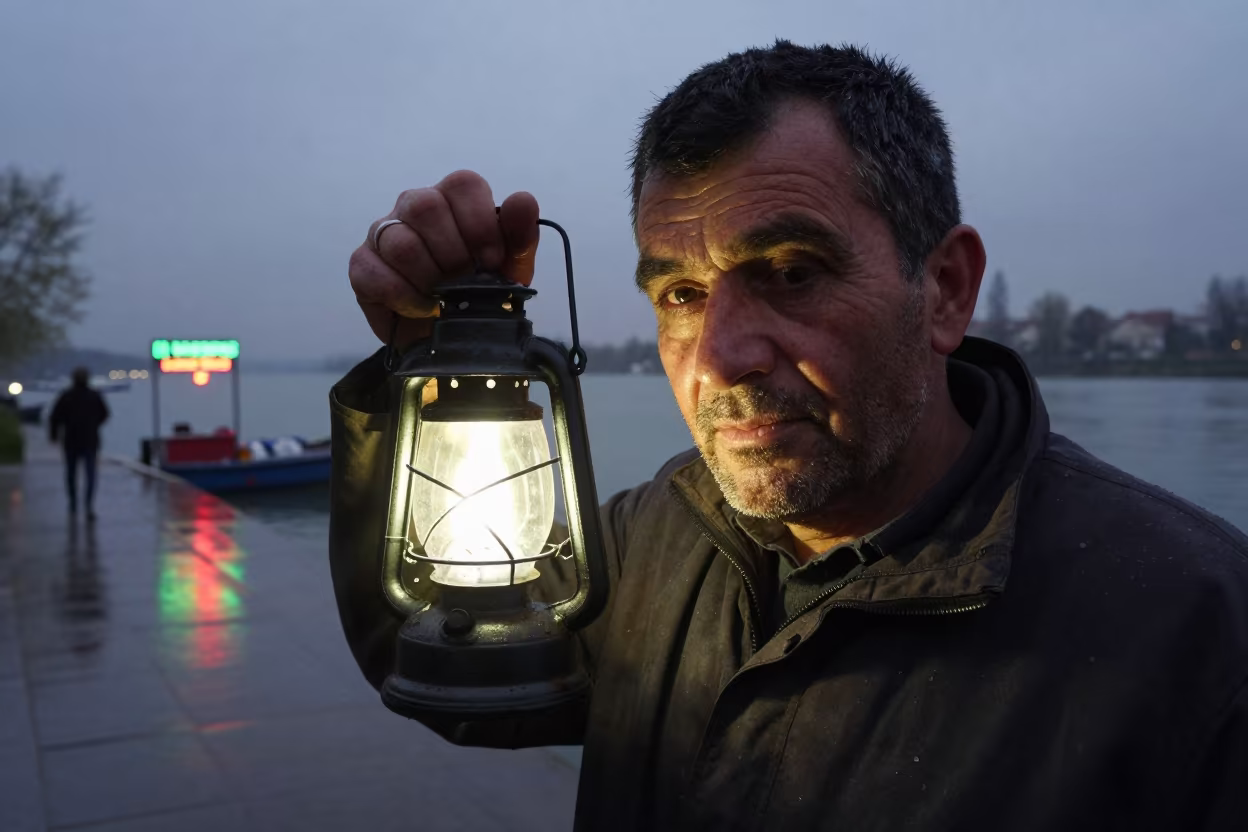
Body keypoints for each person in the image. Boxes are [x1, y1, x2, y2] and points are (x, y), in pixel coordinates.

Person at [330, 41, 1248, 831]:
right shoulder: (648, 542)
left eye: (790, 272)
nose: (719, 357)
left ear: (946, 290)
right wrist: (420, 383)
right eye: (681, 295)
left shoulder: (1197, 631)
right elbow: (436, 665)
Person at [49, 366, 109, 520]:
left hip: (71, 440)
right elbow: (105, 414)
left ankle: (73, 503)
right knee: (90, 474)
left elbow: (55, 417)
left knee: (71, 473)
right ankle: (88, 505)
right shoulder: (94, 396)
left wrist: (54, 435)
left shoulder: (66, 396)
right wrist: (94, 424)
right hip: (90, 439)